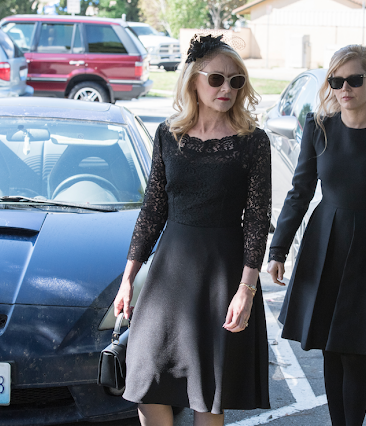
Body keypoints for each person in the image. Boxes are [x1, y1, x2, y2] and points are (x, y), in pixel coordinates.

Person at [112, 34, 271, 426]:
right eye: (216, 78)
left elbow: (256, 221)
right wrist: (128, 279)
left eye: (236, 80)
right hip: (170, 273)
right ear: (193, 80)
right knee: (146, 381)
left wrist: (246, 290)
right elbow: (153, 210)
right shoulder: (169, 135)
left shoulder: (253, 142)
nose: (226, 88)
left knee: (207, 397)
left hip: (222, 276)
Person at [267, 45, 366, 426]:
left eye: (353, 80)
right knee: (331, 350)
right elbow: (300, 191)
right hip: (327, 245)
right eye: (336, 81)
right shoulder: (319, 128)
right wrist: (278, 249)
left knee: (355, 352)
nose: (344, 88)